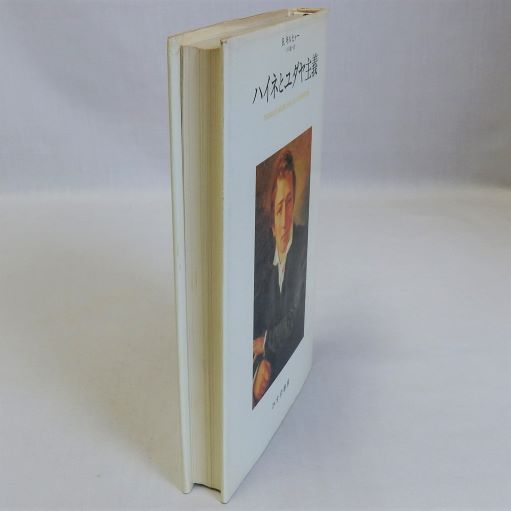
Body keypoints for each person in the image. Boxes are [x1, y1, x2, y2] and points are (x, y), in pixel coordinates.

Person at [253, 149, 308, 404]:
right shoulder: (267, 263)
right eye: (278, 209)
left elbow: (294, 318)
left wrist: (264, 346)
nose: (285, 220)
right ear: (272, 224)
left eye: (289, 203)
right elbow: (260, 320)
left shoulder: (304, 245)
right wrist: (260, 367)